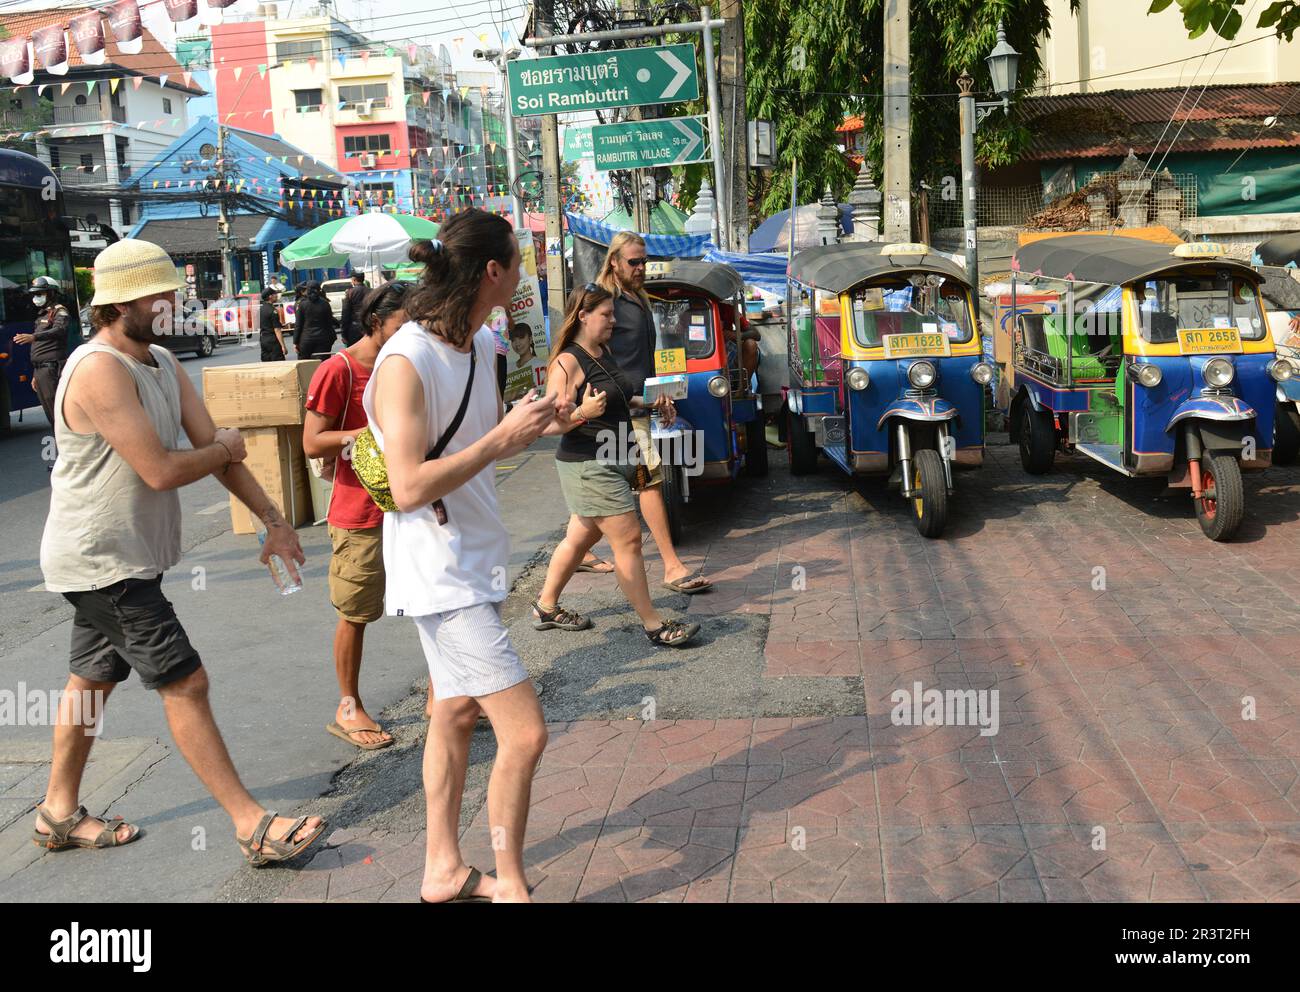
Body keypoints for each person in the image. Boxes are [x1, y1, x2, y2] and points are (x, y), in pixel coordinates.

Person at [33, 239, 327, 866]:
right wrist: (223, 449)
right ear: (120, 303)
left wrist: (274, 520)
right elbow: (163, 470)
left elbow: (213, 447)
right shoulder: (99, 367)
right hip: (104, 561)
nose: (172, 303)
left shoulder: (162, 360)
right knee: (186, 681)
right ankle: (252, 824)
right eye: (159, 295)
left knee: (91, 679)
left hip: (123, 557)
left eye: (171, 293)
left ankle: (58, 812)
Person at [364, 210, 569, 903]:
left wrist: (554, 418)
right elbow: (409, 484)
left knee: (453, 715)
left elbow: (491, 438)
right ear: (493, 271)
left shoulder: (483, 346)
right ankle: (510, 881)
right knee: (526, 734)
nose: (522, 278)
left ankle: (443, 869)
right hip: (438, 572)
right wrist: (500, 443)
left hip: (476, 559)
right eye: (517, 265)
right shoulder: (407, 360)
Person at [532, 283, 701, 647]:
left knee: (580, 537)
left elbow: (621, 397)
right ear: (583, 316)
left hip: (617, 454)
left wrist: (653, 402)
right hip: (589, 463)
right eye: (606, 315)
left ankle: (546, 606)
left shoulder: (601, 352)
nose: (613, 321)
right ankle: (654, 625)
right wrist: (581, 412)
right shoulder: (567, 362)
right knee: (628, 539)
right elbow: (545, 424)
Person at [303, 282, 410, 751]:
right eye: (403, 324)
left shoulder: (402, 367)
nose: (411, 334)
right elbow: (312, 442)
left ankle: (440, 697)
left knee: (429, 601)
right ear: (376, 322)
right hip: (358, 513)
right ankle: (348, 706)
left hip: (407, 508)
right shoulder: (338, 369)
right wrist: (371, 433)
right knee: (356, 614)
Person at [596, 232, 711, 594]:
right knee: (650, 480)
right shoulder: (604, 302)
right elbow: (590, 354)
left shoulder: (639, 299)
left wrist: (660, 395)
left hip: (639, 404)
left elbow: (644, 361)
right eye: (633, 262)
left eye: (643, 261)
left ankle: (548, 597)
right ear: (613, 261)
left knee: (590, 509)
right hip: (618, 409)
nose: (641, 268)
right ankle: (672, 565)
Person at [13, 276, 71, 429]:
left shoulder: (60, 311)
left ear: (51, 293)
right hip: (41, 370)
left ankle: (69, 446)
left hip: (51, 369)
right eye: (35, 295)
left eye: (40, 294)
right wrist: (35, 374)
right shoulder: (42, 315)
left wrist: (34, 337)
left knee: (58, 413)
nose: (36, 298)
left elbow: (60, 330)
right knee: (51, 415)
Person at [294, 280, 338, 359]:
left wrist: (295, 342)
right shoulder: (325, 303)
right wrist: (332, 338)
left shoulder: (302, 304)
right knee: (322, 365)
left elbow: (298, 325)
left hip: (306, 339)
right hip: (323, 339)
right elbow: (329, 322)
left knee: (306, 365)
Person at [258, 287, 287, 362]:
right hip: (273, 340)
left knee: (267, 363)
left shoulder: (260, 309)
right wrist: (283, 346)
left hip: (263, 339)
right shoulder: (273, 310)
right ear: (270, 296)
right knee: (278, 362)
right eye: (275, 294)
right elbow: (277, 330)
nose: (277, 295)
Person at [340, 272, 368, 346]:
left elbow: (345, 314)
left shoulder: (350, 293)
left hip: (354, 329)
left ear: (354, 280)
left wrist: (343, 333)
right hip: (369, 327)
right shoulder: (372, 291)